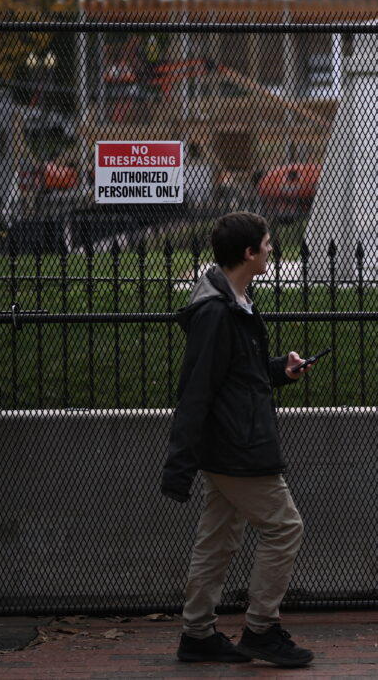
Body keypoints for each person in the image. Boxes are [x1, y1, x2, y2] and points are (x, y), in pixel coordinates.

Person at [161, 211, 316, 668]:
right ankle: (261, 628)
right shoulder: (216, 311)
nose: (271, 249)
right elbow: (197, 389)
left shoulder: (234, 301)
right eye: (267, 244)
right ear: (249, 253)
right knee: (285, 527)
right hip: (237, 447)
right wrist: (178, 466)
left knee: (218, 538)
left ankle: (197, 633)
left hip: (231, 441)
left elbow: (235, 376)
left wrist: (277, 371)